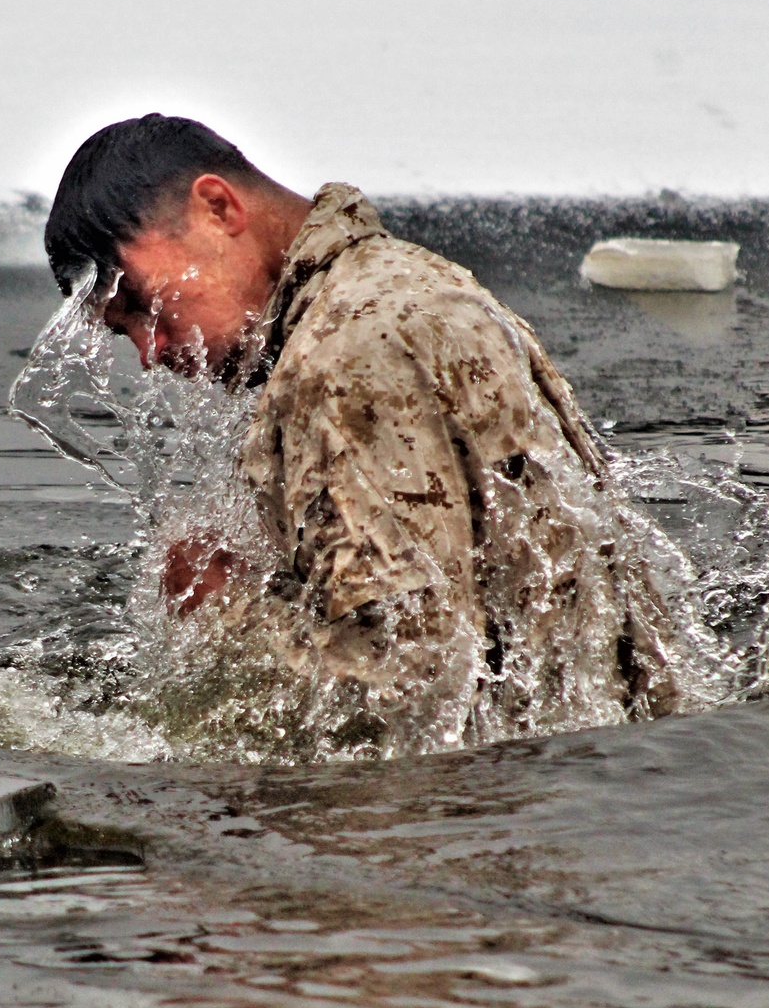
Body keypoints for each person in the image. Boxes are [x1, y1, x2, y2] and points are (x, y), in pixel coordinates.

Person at [43, 113, 693, 738]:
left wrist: (221, 611)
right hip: (601, 781)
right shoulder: (408, 284)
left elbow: (418, 704)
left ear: (217, 207)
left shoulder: (339, 360)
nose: (151, 352)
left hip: (496, 821)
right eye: (123, 330)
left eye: (140, 303)